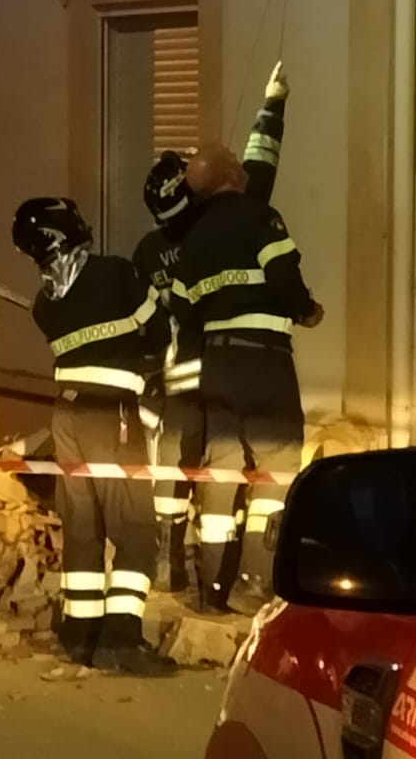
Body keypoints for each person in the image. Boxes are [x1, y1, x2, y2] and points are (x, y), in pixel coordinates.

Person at [134, 62, 291, 593]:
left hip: (182, 380)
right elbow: (256, 167)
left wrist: (146, 377)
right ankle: (237, 578)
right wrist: (272, 105)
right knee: (236, 469)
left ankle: (172, 564)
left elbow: (152, 322)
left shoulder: (151, 251)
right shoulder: (226, 223)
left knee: (186, 474)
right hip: (228, 368)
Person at [12, 197, 176, 676]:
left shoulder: (45, 305)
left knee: (83, 526)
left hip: (68, 414)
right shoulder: (117, 274)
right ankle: (122, 636)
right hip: (114, 414)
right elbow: (159, 330)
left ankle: (80, 632)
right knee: (137, 526)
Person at [169, 130, 323, 616]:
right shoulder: (263, 219)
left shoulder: (190, 242)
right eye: (237, 160)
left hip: (216, 365)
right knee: (276, 470)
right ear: (234, 176)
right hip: (264, 361)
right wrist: (307, 310)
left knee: (220, 470)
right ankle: (255, 582)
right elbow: (283, 276)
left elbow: (183, 313)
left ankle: (213, 587)